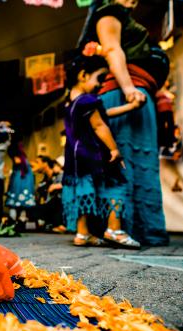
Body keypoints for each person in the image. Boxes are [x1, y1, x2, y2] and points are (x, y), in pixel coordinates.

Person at [77, 0, 170, 246]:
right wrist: (128, 88)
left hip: (138, 92)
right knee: (122, 162)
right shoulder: (110, 13)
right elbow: (112, 49)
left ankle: (141, 229)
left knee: (142, 162)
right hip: (124, 90)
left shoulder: (124, 17)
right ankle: (117, 228)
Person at [62, 55, 140, 248]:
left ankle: (82, 234)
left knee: (83, 192)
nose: (101, 85)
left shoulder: (70, 102)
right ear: (83, 75)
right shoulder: (88, 100)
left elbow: (104, 114)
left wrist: (130, 107)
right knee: (116, 185)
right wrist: (114, 149)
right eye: (100, 79)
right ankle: (114, 229)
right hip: (93, 154)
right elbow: (99, 125)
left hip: (75, 158)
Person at [5, 139, 35, 230]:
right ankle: (21, 222)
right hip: (26, 183)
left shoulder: (18, 159)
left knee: (14, 203)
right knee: (23, 205)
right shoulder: (25, 160)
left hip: (19, 182)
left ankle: (13, 223)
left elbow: (17, 162)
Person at [30, 155, 65, 233]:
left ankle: (59, 225)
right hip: (51, 201)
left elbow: (67, 184)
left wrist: (56, 186)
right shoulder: (49, 178)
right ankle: (50, 224)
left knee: (55, 203)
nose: (54, 166)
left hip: (59, 201)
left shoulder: (61, 175)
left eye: (37, 162)